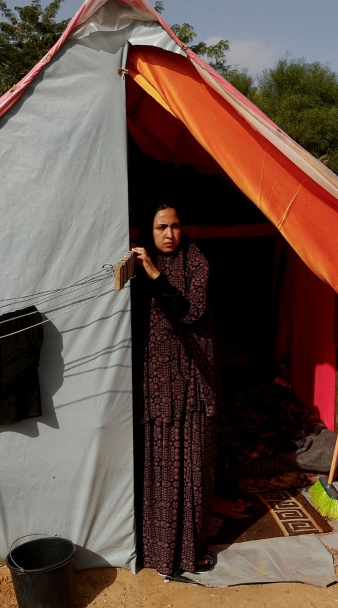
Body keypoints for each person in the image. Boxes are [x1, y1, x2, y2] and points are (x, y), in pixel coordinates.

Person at [131, 201, 217, 576]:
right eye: (160, 227)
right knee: (158, 465)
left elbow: (190, 313)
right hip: (156, 384)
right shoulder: (134, 269)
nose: (169, 235)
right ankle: (156, 551)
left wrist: (155, 276)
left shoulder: (196, 262)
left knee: (193, 465)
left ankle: (190, 549)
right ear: (147, 232)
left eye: (175, 226)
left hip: (193, 379)